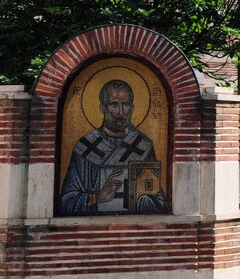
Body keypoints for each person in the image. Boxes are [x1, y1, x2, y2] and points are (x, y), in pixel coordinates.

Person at [59, 80, 165, 214]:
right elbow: (67, 201)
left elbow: (158, 201)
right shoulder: (85, 147)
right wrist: (98, 198)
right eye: (114, 105)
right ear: (102, 108)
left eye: (125, 104)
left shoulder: (143, 145)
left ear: (132, 107)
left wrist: (142, 199)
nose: (120, 112)